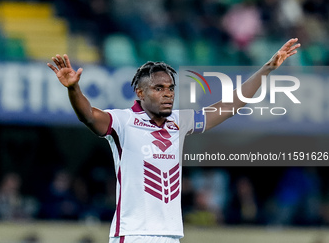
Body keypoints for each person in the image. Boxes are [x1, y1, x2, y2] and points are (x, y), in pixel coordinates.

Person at [47, 38, 300, 243]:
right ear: (140, 92)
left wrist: (266, 69)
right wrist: (73, 89)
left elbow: (230, 106)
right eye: (159, 88)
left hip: (170, 235)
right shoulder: (123, 122)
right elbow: (88, 116)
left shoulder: (180, 121)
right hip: (134, 234)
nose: (167, 94)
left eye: (170, 88)